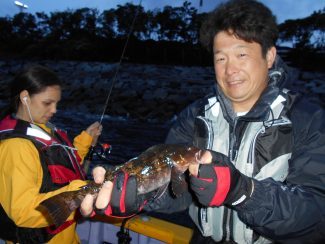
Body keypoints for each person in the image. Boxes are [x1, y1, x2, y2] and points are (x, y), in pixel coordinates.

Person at [80, 0, 325, 243]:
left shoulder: (308, 118)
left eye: (241, 54)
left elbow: (317, 216)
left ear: (269, 56)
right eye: (221, 58)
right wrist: (140, 197)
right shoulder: (194, 117)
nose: (230, 69)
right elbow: (179, 194)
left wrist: (244, 191)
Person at [0, 65, 103, 244]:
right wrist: (80, 193)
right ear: (25, 97)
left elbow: (58, 167)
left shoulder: (41, 128)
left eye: (56, 103)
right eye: (48, 103)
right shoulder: (15, 147)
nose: (54, 110)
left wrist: (85, 141)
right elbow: (23, 211)